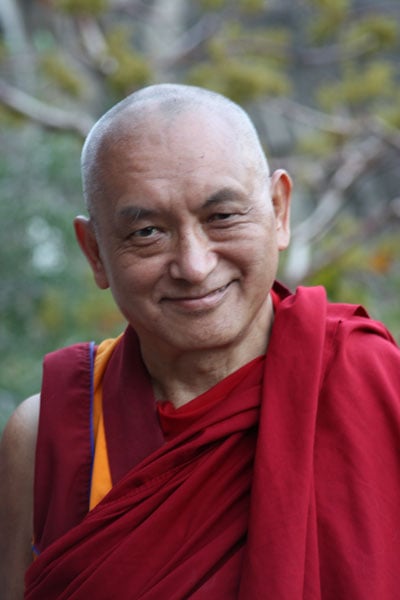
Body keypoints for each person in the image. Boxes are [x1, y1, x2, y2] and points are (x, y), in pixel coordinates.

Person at [0, 83, 399, 600]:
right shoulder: (50, 435)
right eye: (147, 232)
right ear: (95, 252)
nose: (194, 264)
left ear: (279, 211)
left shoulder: (378, 386)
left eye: (222, 217)